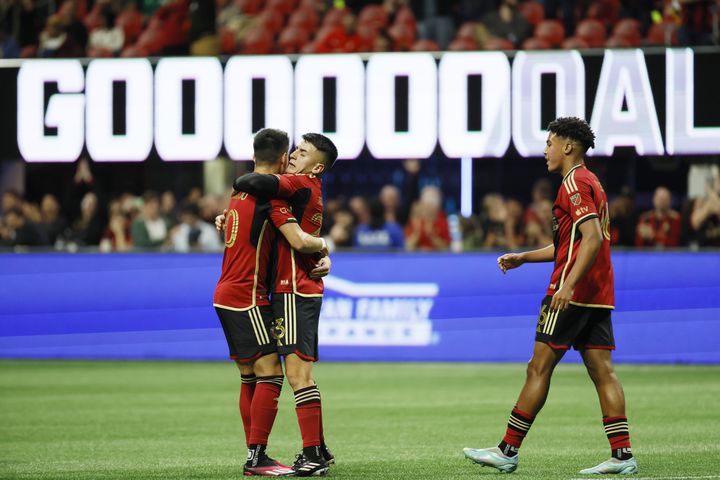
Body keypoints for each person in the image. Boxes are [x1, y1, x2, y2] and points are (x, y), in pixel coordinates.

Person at [463, 117, 638, 475]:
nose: (546, 150)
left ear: (568, 147)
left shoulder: (573, 182)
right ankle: (623, 456)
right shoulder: (592, 182)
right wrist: (525, 257)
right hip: (598, 293)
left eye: (550, 143)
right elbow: (569, 243)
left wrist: (568, 284)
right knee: (603, 371)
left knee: (538, 367)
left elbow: (590, 239)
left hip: (571, 293)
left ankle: (507, 450)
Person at [213, 129, 331, 477]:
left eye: (304, 152)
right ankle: (278, 454)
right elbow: (296, 237)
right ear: (281, 159)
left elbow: (296, 237)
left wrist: (324, 248)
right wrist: (324, 248)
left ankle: (307, 451)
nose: (295, 155)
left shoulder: (276, 190)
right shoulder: (271, 194)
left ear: (316, 168)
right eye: (293, 150)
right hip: (255, 293)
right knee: (272, 374)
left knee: (282, 375)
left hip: (284, 290)